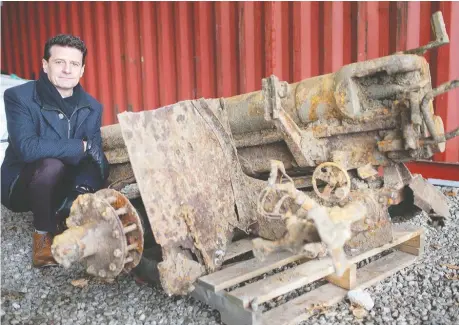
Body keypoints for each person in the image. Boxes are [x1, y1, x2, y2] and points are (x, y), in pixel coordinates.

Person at [1, 34, 109, 268]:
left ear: (82, 70)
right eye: (60, 62)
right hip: (22, 185)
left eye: (74, 64)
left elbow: (94, 156)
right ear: (45, 64)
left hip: (63, 184)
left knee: (80, 173)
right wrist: (78, 146)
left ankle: (61, 215)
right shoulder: (19, 97)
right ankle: (42, 240)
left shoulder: (92, 107)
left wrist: (81, 190)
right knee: (51, 163)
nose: (67, 70)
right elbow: (28, 148)